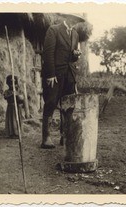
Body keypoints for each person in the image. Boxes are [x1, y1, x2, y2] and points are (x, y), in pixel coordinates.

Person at [41, 17, 81, 149]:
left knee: (68, 104)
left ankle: (65, 136)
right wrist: (50, 74)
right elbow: (48, 53)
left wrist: (75, 55)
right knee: (51, 102)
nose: (74, 22)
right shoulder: (54, 30)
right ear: (66, 17)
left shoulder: (75, 34)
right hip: (55, 75)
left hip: (69, 75)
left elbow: (72, 58)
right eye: (73, 18)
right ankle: (46, 137)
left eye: (77, 20)